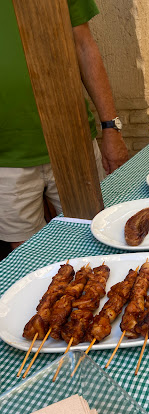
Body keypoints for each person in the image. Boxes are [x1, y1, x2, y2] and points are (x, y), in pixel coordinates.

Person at [0, 0, 129, 250]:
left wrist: (111, 127)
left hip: (72, 140)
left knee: (98, 236)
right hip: (5, 158)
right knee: (28, 256)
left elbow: (84, 46)